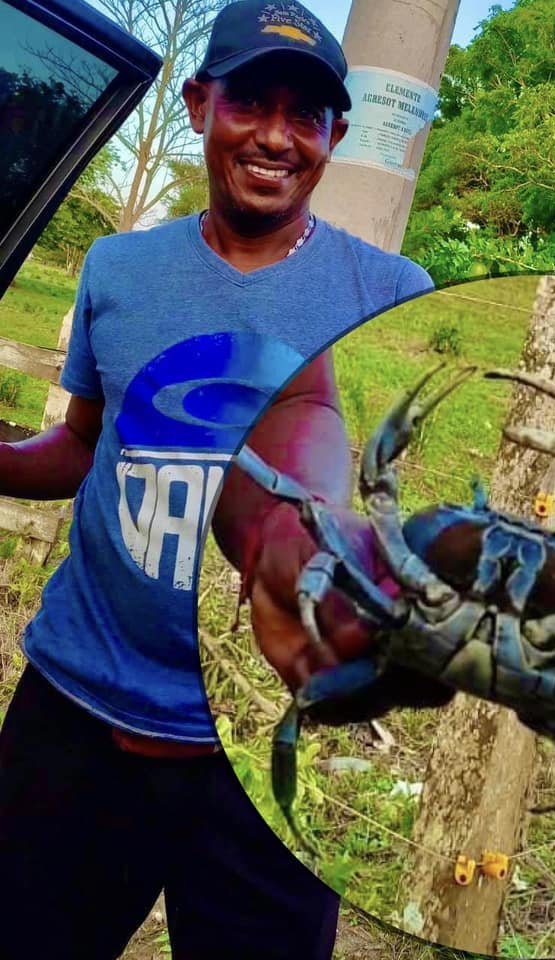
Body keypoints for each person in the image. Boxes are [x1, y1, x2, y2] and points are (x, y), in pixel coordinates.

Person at [0, 2, 433, 957]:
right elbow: (79, 448)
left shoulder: (392, 298)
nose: (276, 136)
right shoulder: (118, 269)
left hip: (261, 745)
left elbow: (388, 513)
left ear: (334, 136)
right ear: (200, 104)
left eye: (305, 115)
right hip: (76, 715)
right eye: (250, 102)